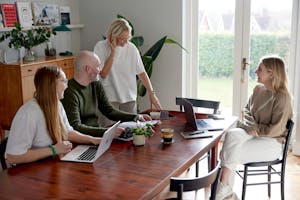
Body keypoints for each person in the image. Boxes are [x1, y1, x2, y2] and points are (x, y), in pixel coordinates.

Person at [216, 55, 293, 200]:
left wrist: (255, 129)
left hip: (272, 143)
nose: (256, 72)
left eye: (260, 69)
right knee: (232, 135)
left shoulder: (283, 97)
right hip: (251, 134)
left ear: (271, 73)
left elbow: (275, 129)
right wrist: (250, 127)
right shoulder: (258, 90)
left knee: (229, 150)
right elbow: (246, 111)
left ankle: (223, 191)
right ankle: (224, 191)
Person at [5, 66, 101, 165]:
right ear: (50, 84)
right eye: (63, 81)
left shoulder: (57, 105)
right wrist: (53, 150)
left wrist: (92, 139)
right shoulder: (29, 113)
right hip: (30, 173)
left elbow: (68, 132)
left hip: (49, 165)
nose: (67, 86)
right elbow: (13, 157)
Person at [61, 50, 152, 137]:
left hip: (98, 135)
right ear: (88, 69)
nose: (100, 70)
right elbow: (76, 127)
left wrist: (136, 117)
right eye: (98, 66)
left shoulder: (96, 85)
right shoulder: (69, 91)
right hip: (82, 140)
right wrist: (108, 132)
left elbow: (109, 111)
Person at [94, 18, 162, 125]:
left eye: (128, 38)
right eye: (122, 38)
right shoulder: (100, 47)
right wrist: (113, 52)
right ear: (112, 36)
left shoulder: (131, 48)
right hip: (109, 100)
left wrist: (151, 93)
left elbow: (141, 73)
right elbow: (103, 74)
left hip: (129, 99)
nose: (126, 42)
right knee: (109, 134)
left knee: (130, 131)